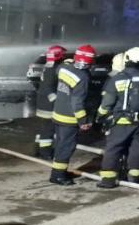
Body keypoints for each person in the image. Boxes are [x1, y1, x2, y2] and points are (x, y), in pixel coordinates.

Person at [95, 47, 139, 188]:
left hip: (121, 121)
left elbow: (107, 103)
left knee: (113, 148)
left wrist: (100, 115)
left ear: (127, 60)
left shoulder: (118, 78)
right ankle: (134, 177)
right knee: (137, 149)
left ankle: (108, 180)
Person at [49, 44, 96, 185]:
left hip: (58, 114)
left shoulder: (64, 68)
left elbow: (58, 70)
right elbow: (77, 102)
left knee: (60, 145)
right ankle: (58, 176)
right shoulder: (83, 77)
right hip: (69, 118)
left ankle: (58, 171)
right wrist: (83, 121)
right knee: (67, 146)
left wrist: (68, 62)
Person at [33, 45, 66, 160]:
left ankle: (37, 149)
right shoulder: (53, 69)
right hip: (48, 106)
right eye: (62, 55)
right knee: (48, 130)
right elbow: (48, 88)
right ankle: (45, 153)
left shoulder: (48, 66)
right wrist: (57, 101)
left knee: (43, 129)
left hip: (43, 104)